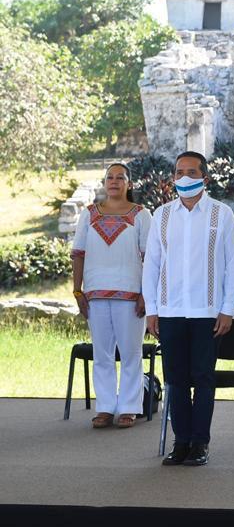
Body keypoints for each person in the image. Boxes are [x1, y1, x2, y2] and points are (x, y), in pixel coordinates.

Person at [143, 151, 234, 467]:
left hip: (208, 312)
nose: (184, 177)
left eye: (191, 171)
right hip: (170, 312)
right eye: (179, 172)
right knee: (176, 379)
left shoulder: (221, 214)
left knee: (203, 377)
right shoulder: (162, 215)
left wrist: (227, 309)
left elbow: (232, 264)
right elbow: (153, 264)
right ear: (173, 177)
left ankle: (200, 443)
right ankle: (181, 441)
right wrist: (152, 309)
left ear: (204, 177)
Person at [70, 163, 152, 429]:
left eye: (120, 177)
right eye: (110, 177)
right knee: (102, 354)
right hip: (95, 293)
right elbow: (78, 254)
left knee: (131, 353)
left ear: (129, 184)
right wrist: (77, 290)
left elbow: (151, 258)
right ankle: (105, 407)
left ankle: (129, 407)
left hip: (131, 294)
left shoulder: (141, 214)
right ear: (104, 183)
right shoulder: (89, 214)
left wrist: (146, 295)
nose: (114, 181)